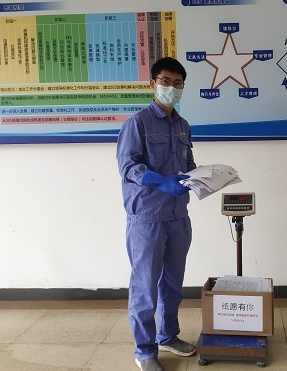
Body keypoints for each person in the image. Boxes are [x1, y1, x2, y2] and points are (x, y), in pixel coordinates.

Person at [116, 57, 197, 371]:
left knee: (173, 285)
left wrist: (201, 177)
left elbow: (187, 165)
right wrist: (160, 181)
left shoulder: (183, 126)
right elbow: (128, 167)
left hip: (178, 216)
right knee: (145, 288)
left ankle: (168, 336)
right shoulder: (137, 124)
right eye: (166, 81)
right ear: (153, 84)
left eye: (177, 83)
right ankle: (145, 351)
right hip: (147, 218)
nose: (171, 88)